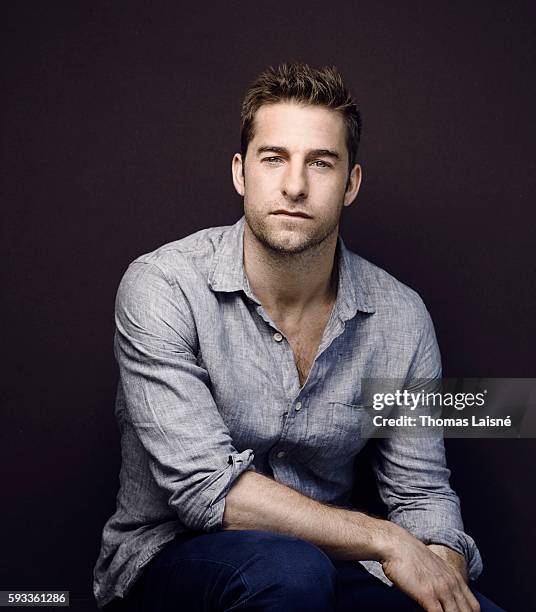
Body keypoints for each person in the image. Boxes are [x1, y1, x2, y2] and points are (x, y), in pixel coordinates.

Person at [93, 62, 503, 611]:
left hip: (323, 568)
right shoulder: (164, 286)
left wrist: (442, 573)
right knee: (291, 570)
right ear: (241, 173)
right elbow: (205, 489)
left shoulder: (400, 317)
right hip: (169, 559)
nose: (294, 184)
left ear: (351, 183)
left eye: (321, 163)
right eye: (274, 158)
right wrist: (386, 539)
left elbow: (420, 492)